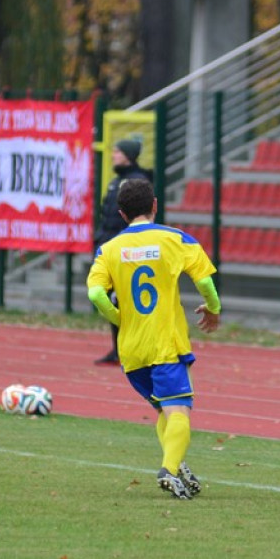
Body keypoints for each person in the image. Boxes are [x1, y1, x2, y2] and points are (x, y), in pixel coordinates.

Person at [86, 178, 221, 500]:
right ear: (155, 205)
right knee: (179, 412)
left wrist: (120, 319)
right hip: (165, 345)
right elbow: (204, 282)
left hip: (131, 350)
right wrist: (213, 309)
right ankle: (169, 470)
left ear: (121, 213)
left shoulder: (109, 249)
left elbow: (95, 294)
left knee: (164, 410)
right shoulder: (175, 239)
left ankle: (175, 461)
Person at [93, 139, 154, 365]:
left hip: (128, 252)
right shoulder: (116, 182)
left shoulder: (138, 182)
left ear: (128, 155)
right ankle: (119, 349)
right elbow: (107, 215)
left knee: (127, 302)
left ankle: (136, 348)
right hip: (110, 250)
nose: (113, 155)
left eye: (117, 151)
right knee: (112, 300)